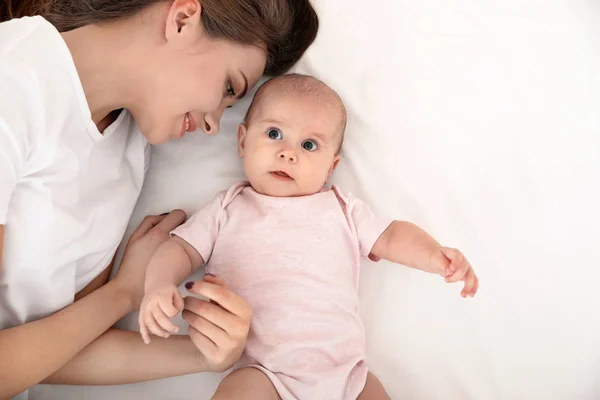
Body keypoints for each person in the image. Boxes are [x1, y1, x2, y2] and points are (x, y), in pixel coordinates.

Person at [0, 0, 319, 398]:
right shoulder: (13, 78)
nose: (213, 124)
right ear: (183, 18)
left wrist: (211, 353)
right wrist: (122, 295)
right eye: (228, 87)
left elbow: (65, 347)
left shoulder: (128, 148)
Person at [138, 74, 480, 399]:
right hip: (262, 371)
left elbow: (391, 236)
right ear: (242, 141)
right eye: (274, 134)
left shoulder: (342, 209)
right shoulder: (227, 208)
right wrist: (158, 284)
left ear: (330, 167)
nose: (289, 153)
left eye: (309, 144)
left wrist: (434, 254)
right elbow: (180, 249)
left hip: (345, 375)